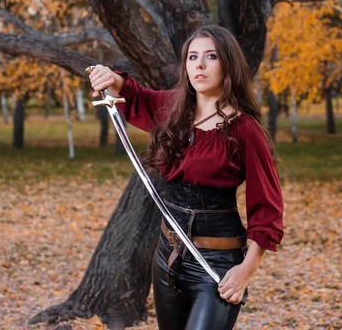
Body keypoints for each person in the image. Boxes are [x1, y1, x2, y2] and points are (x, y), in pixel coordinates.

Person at [88, 25, 283, 330]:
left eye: (210, 57)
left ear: (227, 64)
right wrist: (109, 77)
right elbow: (134, 96)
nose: (199, 65)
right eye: (192, 57)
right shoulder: (174, 109)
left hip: (217, 261)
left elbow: (267, 206)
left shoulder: (244, 130)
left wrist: (247, 269)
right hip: (168, 255)